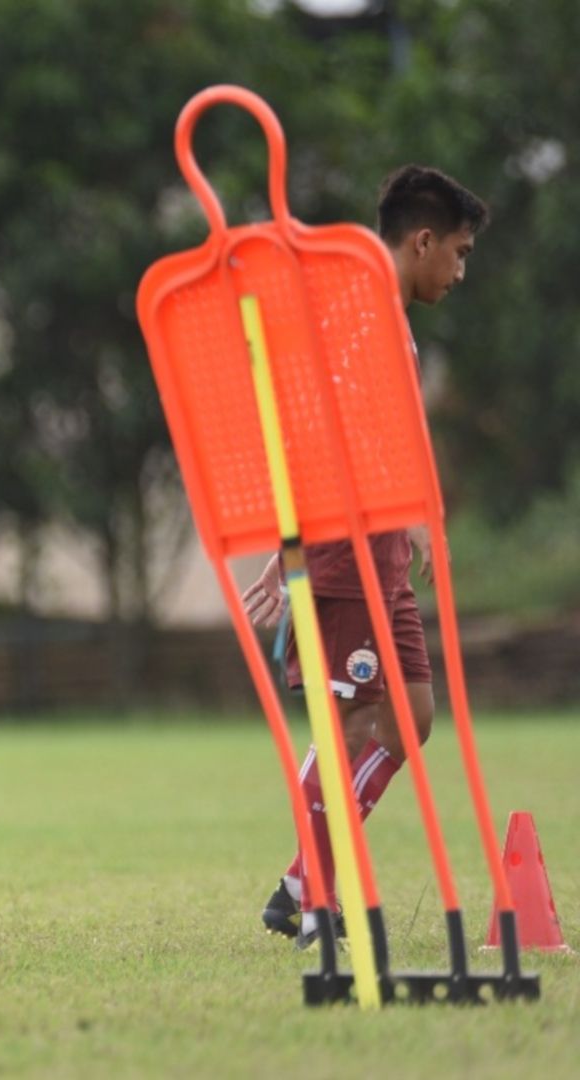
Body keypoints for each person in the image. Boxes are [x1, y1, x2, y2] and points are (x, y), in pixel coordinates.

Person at [244, 164, 489, 945]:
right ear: (422, 241)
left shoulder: (389, 314)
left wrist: (411, 511)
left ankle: (295, 883)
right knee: (349, 725)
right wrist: (292, 549)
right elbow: (315, 435)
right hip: (343, 555)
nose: (459, 270)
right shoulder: (354, 314)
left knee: (411, 717)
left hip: (382, 553)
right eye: (458, 251)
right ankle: (317, 897)